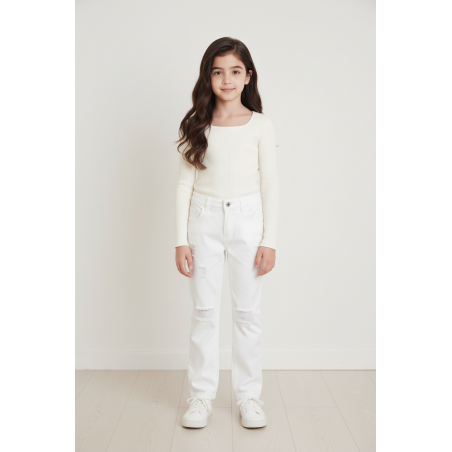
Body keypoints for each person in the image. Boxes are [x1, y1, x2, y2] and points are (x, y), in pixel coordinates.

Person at [174, 37, 278, 429]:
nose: (227, 80)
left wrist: (269, 240)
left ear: (248, 76)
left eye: (235, 71)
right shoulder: (196, 124)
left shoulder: (260, 125)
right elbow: (183, 185)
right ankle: (200, 397)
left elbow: (270, 185)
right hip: (204, 221)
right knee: (204, 312)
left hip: (248, 222)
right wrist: (180, 239)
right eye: (218, 72)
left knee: (248, 313)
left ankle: (249, 396)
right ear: (208, 77)